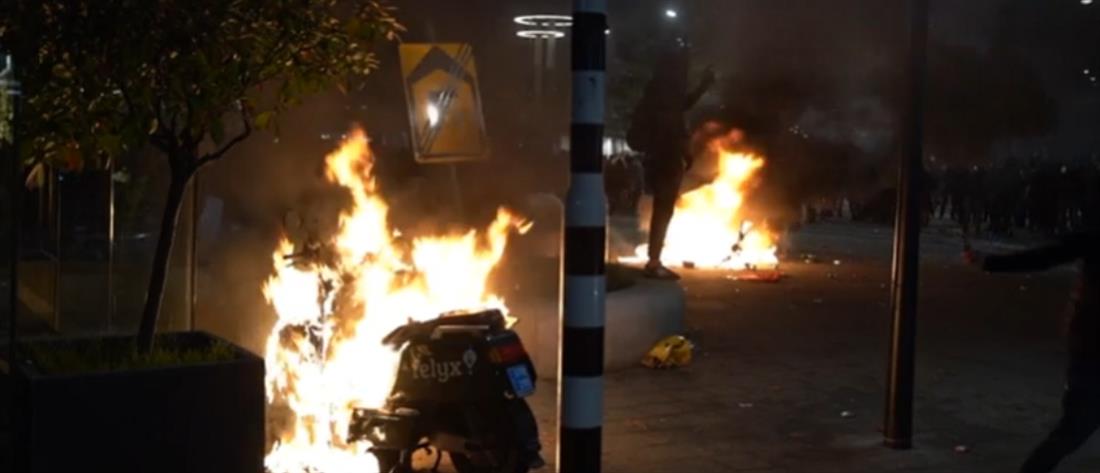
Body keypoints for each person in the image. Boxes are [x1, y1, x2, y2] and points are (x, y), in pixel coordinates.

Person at [965, 224, 1099, 473]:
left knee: (1075, 427)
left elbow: (1048, 256)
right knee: (1076, 426)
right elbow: (1046, 256)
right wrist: (991, 262)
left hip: (1089, 343)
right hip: (1092, 347)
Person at [627, 38, 716, 280]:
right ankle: (654, 261)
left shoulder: (658, 91)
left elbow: (680, 108)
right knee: (664, 209)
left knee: (664, 209)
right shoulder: (666, 94)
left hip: (660, 156)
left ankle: (654, 259)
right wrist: (684, 152)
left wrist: (703, 86)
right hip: (666, 158)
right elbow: (673, 123)